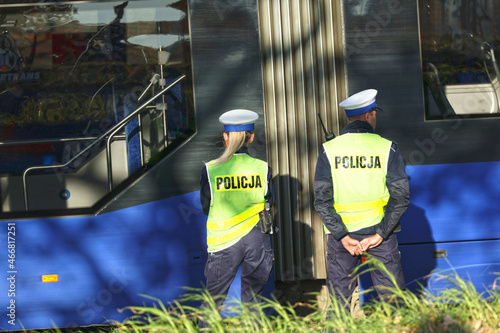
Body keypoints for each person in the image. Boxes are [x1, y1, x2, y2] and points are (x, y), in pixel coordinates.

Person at [313, 89, 410, 312]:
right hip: (380, 236)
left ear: (349, 118)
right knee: (393, 302)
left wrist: (343, 236)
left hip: (341, 238)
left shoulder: (329, 149)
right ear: (369, 115)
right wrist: (380, 235)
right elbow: (401, 196)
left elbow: (321, 200)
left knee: (339, 304)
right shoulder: (387, 148)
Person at [199, 109, 275, 326]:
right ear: (251, 138)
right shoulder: (263, 168)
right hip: (256, 239)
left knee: (213, 301)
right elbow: (270, 200)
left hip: (223, 242)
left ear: (225, 137)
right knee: (253, 301)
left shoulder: (210, 170)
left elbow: (206, 206)